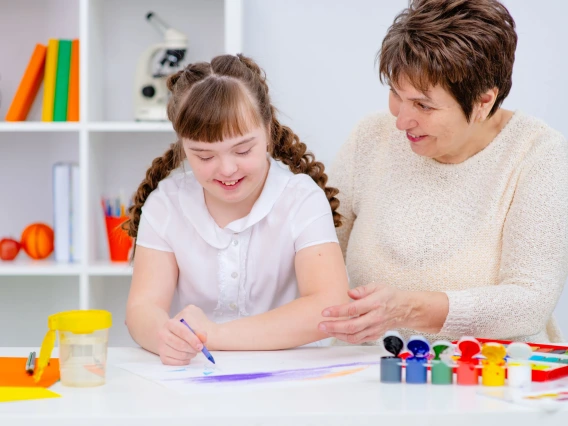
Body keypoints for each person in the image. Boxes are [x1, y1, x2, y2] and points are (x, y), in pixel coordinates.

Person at [318, 0, 568, 344]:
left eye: (423, 105)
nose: (401, 120)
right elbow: (315, 255)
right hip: (367, 374)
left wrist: (406, 309)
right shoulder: (369, 138)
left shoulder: (537, 154)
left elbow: (529, 302)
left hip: (489, 382)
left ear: (483, 102)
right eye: (395, 92)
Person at [125, 54, 350, 365]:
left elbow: (329, 304)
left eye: (243, 150)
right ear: (182, 145)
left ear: (268, 131)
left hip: (290, 375)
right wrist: (163, 336)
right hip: (197, 380)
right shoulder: (167, 204)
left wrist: (214, 335)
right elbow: (141, 310)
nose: (227, 169)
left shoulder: (300, 199)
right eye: (204, 156)